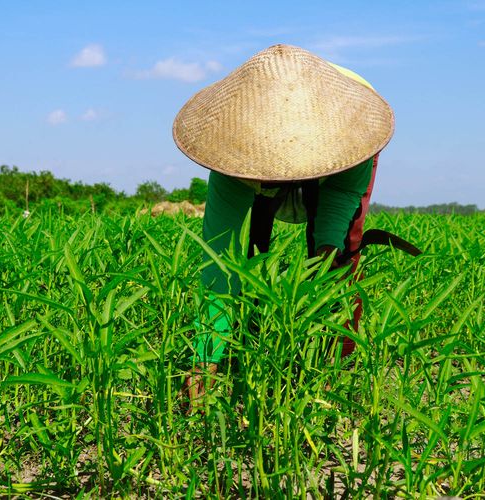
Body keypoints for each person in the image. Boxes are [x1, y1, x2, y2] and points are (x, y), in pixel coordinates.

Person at [171, 44, 402, 404]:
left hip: (341, 146)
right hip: (250, 163)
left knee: (338, 259)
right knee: (251, 253)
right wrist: (204, 358)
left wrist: (325, 273)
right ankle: (240, 342)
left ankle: (333, 370)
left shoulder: (353, 132)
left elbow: (333, 230)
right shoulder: (233, 151)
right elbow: (219, 260)